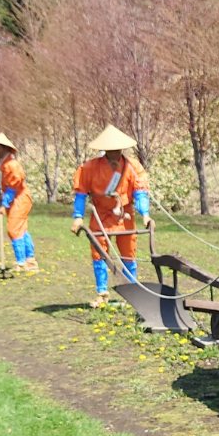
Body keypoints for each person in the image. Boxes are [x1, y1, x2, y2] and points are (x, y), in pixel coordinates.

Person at [71, 124, 150, 307]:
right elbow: (81, 194)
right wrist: (78, 216)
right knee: (99, 253)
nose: (114, 153)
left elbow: (140, 192)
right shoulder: (89, 168)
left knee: (129, 254)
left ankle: (132, 291)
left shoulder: (133, 167)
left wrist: (145, 214)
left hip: (125, 215)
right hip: (101, 214)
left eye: (117, 150)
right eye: (111, 150)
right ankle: (102, 292)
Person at [0, 132, 37, 272]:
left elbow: (14, 186)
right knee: (21, 229)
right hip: (8, 197)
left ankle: (21, 262)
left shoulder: (13, 165)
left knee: (14, 228)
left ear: (3, 147)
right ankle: (30, 260)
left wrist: (4, 204)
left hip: (20, 198)